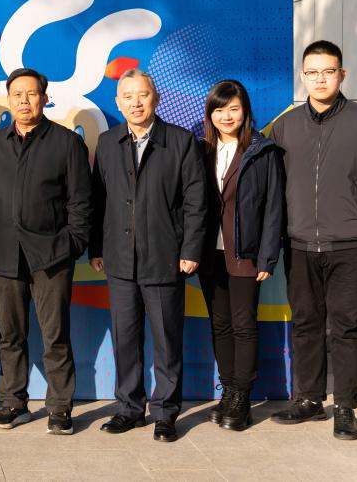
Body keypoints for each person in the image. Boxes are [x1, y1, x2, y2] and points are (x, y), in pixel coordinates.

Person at [270, 40, 357, 440]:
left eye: (328, 71)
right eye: (312, 72)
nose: (320, 79)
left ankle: (345, 407)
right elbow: (276, 183)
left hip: (351, 245)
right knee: (306, 323)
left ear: (342, 74)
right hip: (300, 242)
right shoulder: (285, 126)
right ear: (302, 76)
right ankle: (309, 400)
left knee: (346, 326)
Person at [89, 68, 206, 443]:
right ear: (117, 102)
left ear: (156, 99)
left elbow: (196, 201)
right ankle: (128, 408)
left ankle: (166, 413)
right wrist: (96, 247)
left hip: (165, 258)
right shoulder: (107, 142)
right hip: (120, 261)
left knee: (167, 341)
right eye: (128, 96)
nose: (135, 103)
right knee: (125, 339)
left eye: (142, 95)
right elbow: (99, 199)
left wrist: (190, 249)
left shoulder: (180, 141)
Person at [0, 68, 93, 434]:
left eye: (31, 94)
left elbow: (81, 202)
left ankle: (60, 408)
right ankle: (13, 403)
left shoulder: (66, 143)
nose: (24, 101)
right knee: (10, 336)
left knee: (55, 336)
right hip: (4, 257)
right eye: (17, 94)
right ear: (8, 100)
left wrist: (71, 245)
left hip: (51, 257)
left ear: (45, 98)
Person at [198, 80, 284, 431]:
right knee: (220, 324)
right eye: (219, 109)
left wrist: (268, 255)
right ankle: (229, 390)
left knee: (244, 324)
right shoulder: (201, 150)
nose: (226, 116)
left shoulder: (263, 151)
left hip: (246, 251)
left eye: (233, 108)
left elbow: (274, 207)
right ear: (210, 114)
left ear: (245, 111)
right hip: (208, 252)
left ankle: (242, 399)